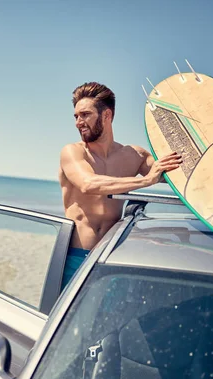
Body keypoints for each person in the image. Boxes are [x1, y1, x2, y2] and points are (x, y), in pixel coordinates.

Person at [58, 82, 182, 290]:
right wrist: (144, 181)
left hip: (111, 259)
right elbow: (88, 183)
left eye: (85, 115)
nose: (79, 122)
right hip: (75, 257)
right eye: (76, 116)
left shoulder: (134, 155)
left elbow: (172, 176)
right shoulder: (73, 152)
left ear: (106, 115)